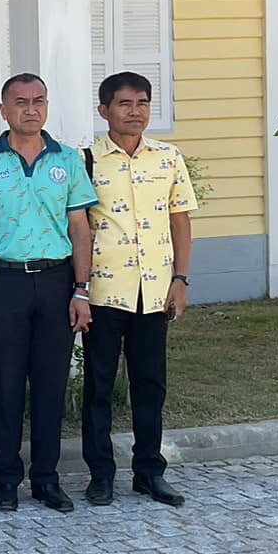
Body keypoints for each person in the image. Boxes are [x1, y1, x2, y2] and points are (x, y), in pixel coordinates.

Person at [0, 74, 97, 513]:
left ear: (47, 106)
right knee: (7, 382)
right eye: (20, 102)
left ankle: (46, 479)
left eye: (38, 101)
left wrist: (81, 289)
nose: (30, 109)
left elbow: (80, 229)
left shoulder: (69, 161)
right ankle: (5, 479)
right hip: (6, 283)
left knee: (51, 384)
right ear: (3, 110)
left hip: (57, 283)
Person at [81, 71, 199, 508]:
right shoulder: (86, 161)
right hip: (103, 293)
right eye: (125, 104)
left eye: (143, 103)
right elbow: (76, 227)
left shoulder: (168, 158)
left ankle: (149, 472)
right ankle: (101, 475)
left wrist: (180, 281)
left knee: (150, 386)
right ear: (104, 111)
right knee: (98, 386)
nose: (135, 112)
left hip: (154, 293)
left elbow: (180, 221)